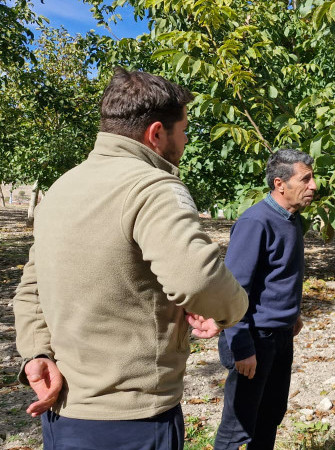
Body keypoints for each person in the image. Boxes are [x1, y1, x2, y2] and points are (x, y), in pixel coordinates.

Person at [13, 67, 249, 449]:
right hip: (135, 419)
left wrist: (36, 353)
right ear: (156, 133)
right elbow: (199, 279)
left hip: (64, 411)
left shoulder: (61, 187)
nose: (186, 140)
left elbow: (31, 288)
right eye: (184, 130)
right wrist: (231, 309)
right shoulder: (153, 186)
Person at [214, 149, 316, 450]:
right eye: (306, 179)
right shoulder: (256, 222)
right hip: (256, 339)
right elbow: (233, 291)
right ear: (279, 184)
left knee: (270, 415)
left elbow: (280, 276)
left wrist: (292, 313)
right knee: (238, 426)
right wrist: (243, 347)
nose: (314, 186)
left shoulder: (293, 220)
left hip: (281, 337)